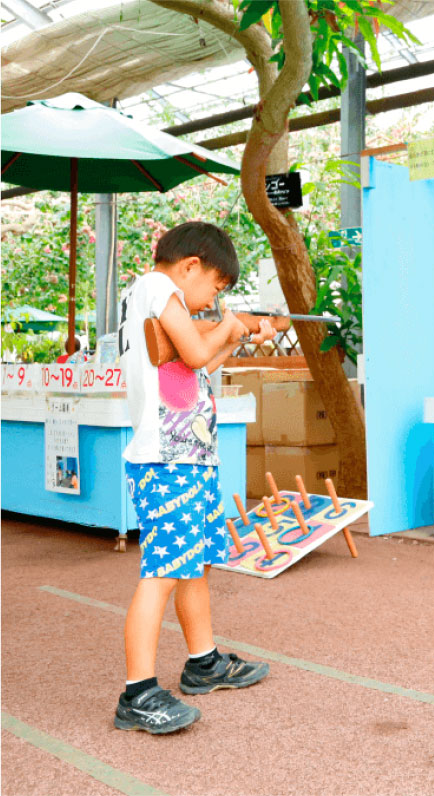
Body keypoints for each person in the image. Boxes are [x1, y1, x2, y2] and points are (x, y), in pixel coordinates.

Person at [114, 221, 275, 734]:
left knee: (195, 564)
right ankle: (137, 693)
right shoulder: (157, 287)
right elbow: (201, 350)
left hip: (188, 455)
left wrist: (243, 332)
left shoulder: (159, 298)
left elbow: (198, 368)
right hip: (167, 460)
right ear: (189, 267)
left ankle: (203, 662)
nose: (212, 300)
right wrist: (231, 327)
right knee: (162, 572)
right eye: (214, 288)